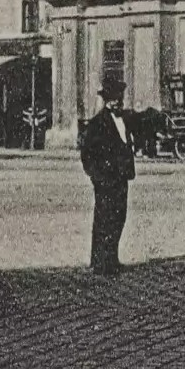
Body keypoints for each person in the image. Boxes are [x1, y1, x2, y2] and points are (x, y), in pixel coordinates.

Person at [80, 82, 139, 275]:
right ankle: (99, 262)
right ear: (107, 101)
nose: (118, 102)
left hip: (121, 178)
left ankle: (112, 258)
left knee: (119, 217)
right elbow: (87, 153)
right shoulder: (97, 123)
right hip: (105, 180)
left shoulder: (123, 120)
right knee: (103, 219)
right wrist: (96, 176)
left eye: (120, 98)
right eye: (114, 99)